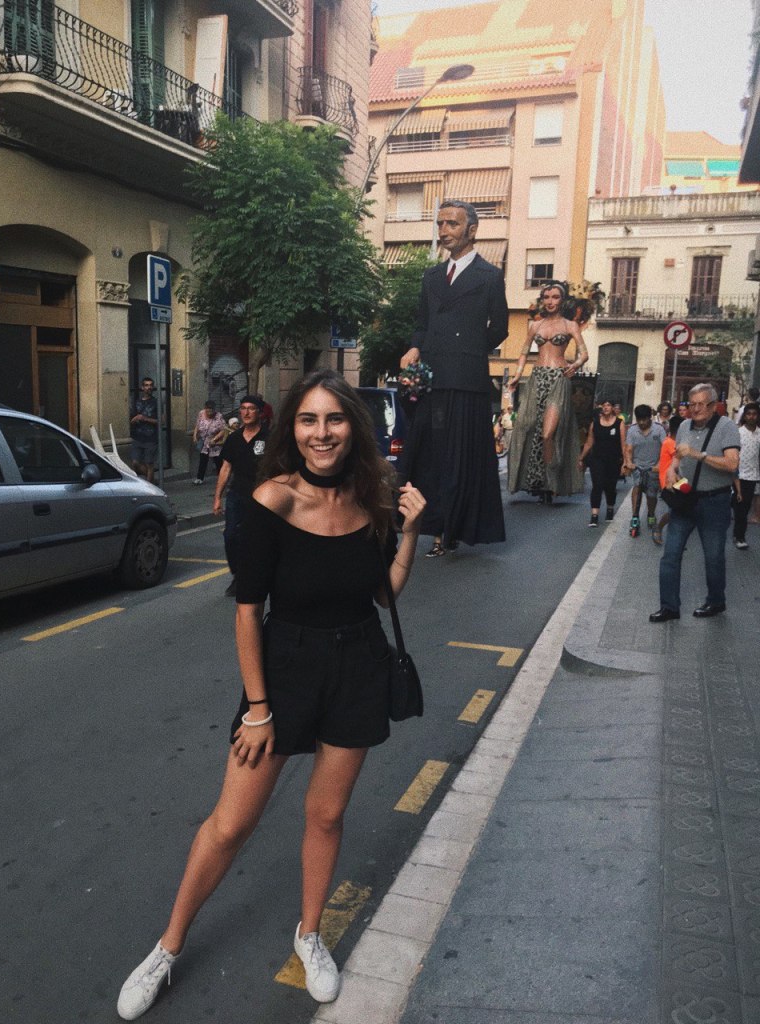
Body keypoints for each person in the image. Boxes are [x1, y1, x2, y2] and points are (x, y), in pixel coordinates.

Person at [116, 370, 426, 1020]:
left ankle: (309, 934)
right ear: (294, 428)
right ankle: (167, 948)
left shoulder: (374, 498)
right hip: (282, 673)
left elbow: (383, 595)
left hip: (357, 666)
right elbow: (247, 612)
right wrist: (257, 711)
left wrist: (409, 533)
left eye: (334, 419)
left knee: (327, 816)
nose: (322, 433)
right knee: (230, 823)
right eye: (309, 420)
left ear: (353, 428)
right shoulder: (272, 500)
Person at [399, 199, 508, 557]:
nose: (444, 231)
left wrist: (469, 350)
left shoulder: (490, 276)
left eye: (452, 224)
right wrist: (415, 347)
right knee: (431, 457)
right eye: (440, 224)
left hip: (466, 383)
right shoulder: (431, 277)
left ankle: (454, 529)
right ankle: (433, 526)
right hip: (431, 380)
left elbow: (500, 328)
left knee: (462, 460)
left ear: (472, 230)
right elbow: (422, 324)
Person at [650, 382, 740, 622]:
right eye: (692, 404)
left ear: (713, 405)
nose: (696, 409)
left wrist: (698, 454)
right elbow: (677, 458)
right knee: (670, 554)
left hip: (714, 501)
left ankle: (716, 601)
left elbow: (732, 463)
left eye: (701, 404)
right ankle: (669, 607)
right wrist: (672, 470)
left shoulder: (727, 427)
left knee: (713, 556)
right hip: (685, 500)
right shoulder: (684, 426)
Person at [507, 281, 588, 502]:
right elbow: (524, 353)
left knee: (548, 433)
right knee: (527, 427)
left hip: (559, 379)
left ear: (562, 300)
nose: (550, 301)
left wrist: (575, 365)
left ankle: (553, 480)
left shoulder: (570, 325)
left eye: (555, 297)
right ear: (542, 300)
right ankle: (536, 479)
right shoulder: (535, 326)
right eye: (547, 297)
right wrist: (517, 375)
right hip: (537, 378)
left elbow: (584, 354)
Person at [214, 395, 269, 596]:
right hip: (237, 494)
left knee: (257, 537)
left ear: (260, 413)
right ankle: (238, 574)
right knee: (230, 535)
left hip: (262, 496)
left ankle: (258, 574)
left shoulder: (269, 437)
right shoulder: (234, 439)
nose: (246, 412)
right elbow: (226, 468)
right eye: (243, 408)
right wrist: (217, 497)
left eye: (251, 408)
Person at [578, 398, 626, 526]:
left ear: (612, 408)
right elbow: (589, 443)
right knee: (597, 485)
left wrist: (625, 461)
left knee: (610, 486)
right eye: (604, 405)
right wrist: (581, 458)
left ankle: (610, 508)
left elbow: (623, 444)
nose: (606, 407)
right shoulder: (595, 423)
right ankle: (594, 515)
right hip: (597, 459)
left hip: (613, 459)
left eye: (608, 405)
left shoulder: (619, 423)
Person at [623, 404, 665, 537]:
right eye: (639, 419)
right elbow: (629, 449)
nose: (641, 422)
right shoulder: (632, 430)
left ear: (649, 418)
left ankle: (651, 513)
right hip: (638, 467)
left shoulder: (659, 429)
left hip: (653, 467)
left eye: (644, 419)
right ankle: (635, 516)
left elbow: (665, 449)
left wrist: (660, 465)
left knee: (651, 494)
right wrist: (628, 462)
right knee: (637, 487)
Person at [652, 414, 684, 545]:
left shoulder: (675, 442)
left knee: (686, 506)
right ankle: (659, 528)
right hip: (668, 482)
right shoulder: (669, 443)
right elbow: (683, 456)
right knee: (677, 509)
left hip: (679, 481)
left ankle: (677, 536)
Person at [733, 401, 760, 549]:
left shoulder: (759, 434)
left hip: (752, 476)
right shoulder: (738, 433)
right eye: (749, 414)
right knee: (739, 506)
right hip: (737, 475)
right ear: (744, 416)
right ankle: (739, 535)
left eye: (754, 414)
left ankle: (739, 535)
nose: (751, 417)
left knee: (745, 506)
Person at [130, 377, 158, 482]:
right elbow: (131, 418)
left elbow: (161, 421)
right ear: (142, 387)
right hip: (137, 437)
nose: (149, 387)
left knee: (149, 463)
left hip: (151, 438)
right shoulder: (137, 402)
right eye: (146, 385)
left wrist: (145, 418)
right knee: (135, 463)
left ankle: (150, 486)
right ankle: (152, 481)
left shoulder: (156, 402)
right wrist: (134, 420)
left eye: (150, 385)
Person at [191, 400, 227, 484]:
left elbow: (223, 430)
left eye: (211, 410)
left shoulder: (219, 416)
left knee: (218, 461)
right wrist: (195, 435)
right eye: (208, 410)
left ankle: (222, 478)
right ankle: (199, 478)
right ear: (205, 408)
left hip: (215, 442)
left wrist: (214, 439)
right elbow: (197, 425)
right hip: (204, 442)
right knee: (203, 460)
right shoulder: (201, 413)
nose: (209, 412)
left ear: (214, 409)